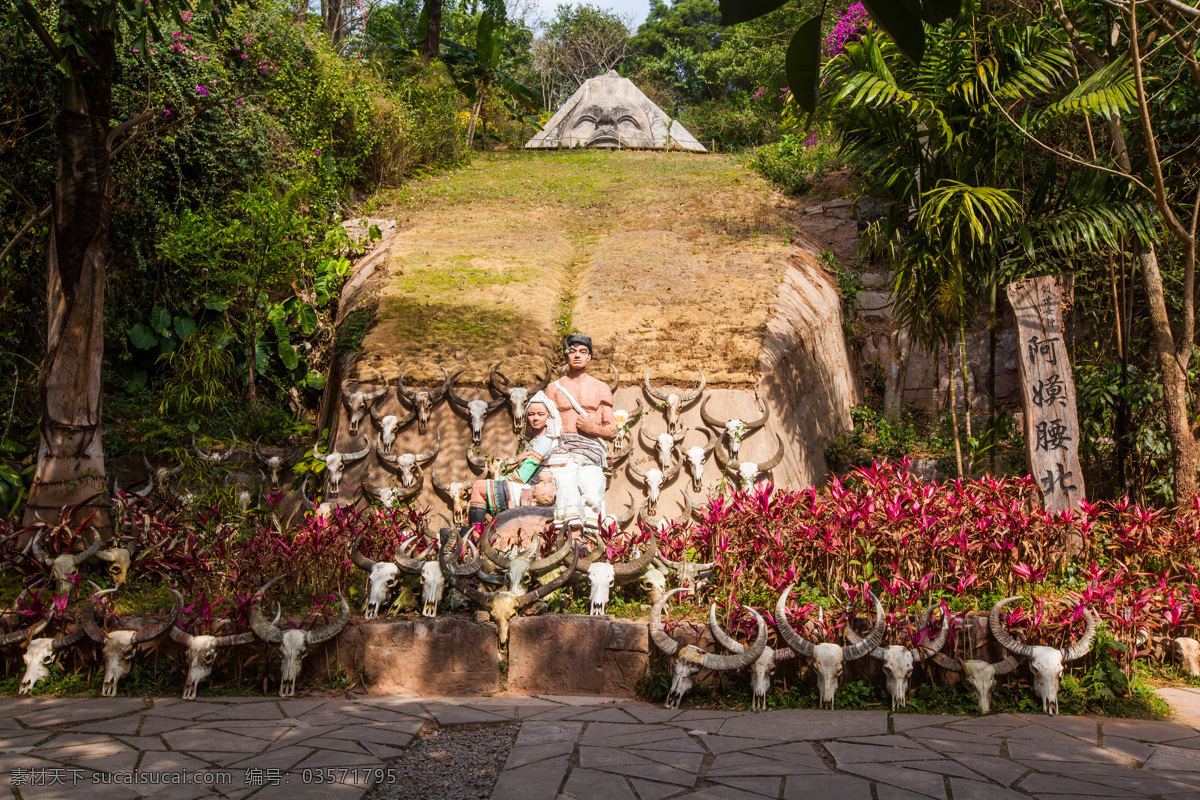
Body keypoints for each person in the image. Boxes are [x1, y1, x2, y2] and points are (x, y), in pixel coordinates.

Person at [544, 334, 617, 539]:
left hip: (591, 451)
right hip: (562, 450)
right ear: (566, 355)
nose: (577, 356)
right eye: (572, 351)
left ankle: (589, 546)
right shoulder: (553, 389)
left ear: (589, 357)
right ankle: (569, 544)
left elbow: (611, 431)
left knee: (593, 494)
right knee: (567, 492)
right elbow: (542, 424)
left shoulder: (600, 387)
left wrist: (593, 429)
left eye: (583, 352)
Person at [466, 392, 560, 529]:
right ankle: (470, 535)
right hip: (525, 487)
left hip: (530, 490)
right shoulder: (536, 441)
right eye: (531, 414)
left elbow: (522, 476)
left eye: (541, 414)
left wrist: (500, 481)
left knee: (479, 487)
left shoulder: (544, 441)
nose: (535, 418)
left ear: (549, 417)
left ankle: (476, 536)